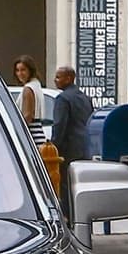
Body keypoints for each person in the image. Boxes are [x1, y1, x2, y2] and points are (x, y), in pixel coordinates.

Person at [51, 65, 94, 222]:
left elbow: (59, 125)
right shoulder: (85, 98)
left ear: (68, 78)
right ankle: (83, 216)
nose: (55, 80)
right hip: (84, 147)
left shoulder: (63, 99)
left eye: (58, 77)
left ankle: (69, 217)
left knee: (66, 184)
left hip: (68, 148)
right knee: (80, 185)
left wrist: (54, 146)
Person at [12, 55, 47, 146]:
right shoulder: (36, 85)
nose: (20, 73)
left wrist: (17, 131)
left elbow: (28, 115)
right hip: (39, 134)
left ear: (30, 71)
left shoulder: (28, 88)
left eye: (23, 70)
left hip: (32, 136)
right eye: (17, 70)